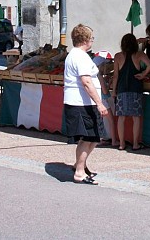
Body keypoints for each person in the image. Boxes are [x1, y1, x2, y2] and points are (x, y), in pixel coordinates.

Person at [63, 24, 108, 185]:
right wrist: (99, 103)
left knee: (94, 136)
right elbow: (86, 81)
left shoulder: (75, 55)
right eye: (91, 38)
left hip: (81, 103)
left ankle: (78, 164)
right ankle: (79, 172)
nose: (92, 41)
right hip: (82, 103)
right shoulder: (80, 56)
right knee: (88, 138)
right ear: (85, 40)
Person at [112, 33, 150, 151]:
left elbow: (115, 76)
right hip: (135, 88)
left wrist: (114, 91)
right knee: (136, 117)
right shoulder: (139, 54)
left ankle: (121, 144)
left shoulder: (118, 56)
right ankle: (135, 144)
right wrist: (143, 74)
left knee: (121, 117)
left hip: (121, 89)